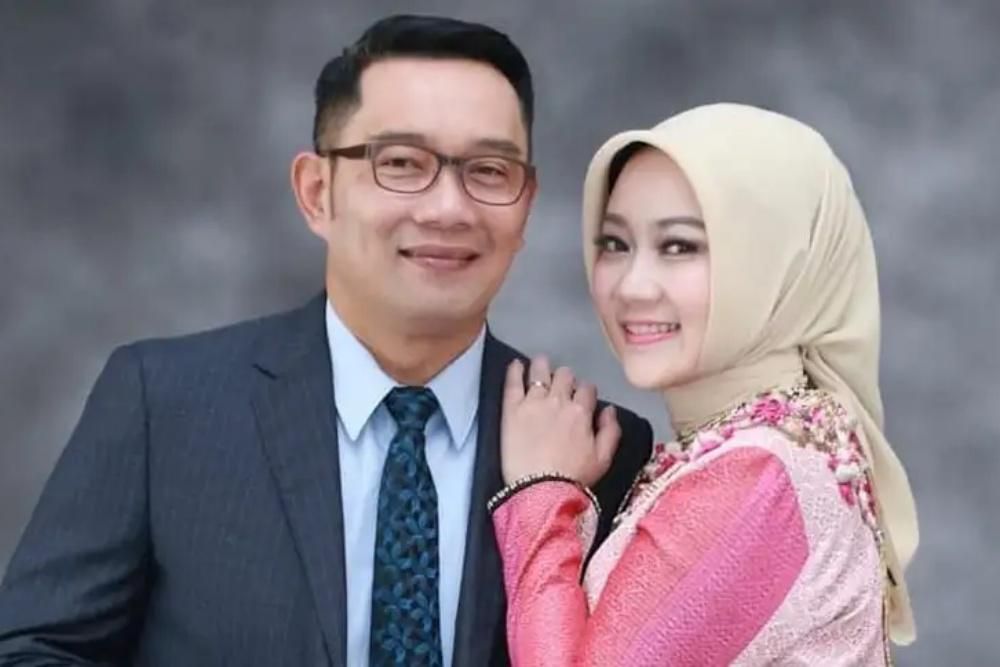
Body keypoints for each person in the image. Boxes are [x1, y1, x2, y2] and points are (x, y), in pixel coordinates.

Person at [0, 15, 652, 667]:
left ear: (526, 203)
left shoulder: (599, 447)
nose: (449, 209)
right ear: (317, 193)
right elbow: (34, 650)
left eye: (489, 170)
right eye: (402, 164)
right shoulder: (166, 405)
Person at [492, 103, 919, 665]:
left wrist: (541, 491)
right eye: (615, 244)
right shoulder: (779, 448)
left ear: (780, 263)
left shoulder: (760, 477)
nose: (632, 286)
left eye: (680, 247)